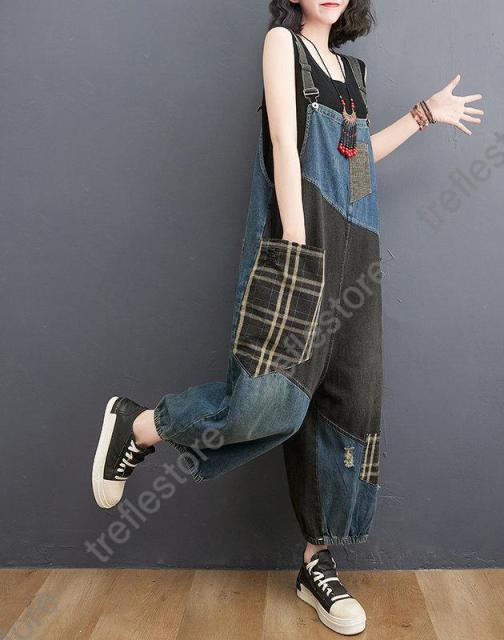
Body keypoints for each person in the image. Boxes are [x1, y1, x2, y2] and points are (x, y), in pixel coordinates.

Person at [90, 0, 484, 634]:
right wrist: (298, 241)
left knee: (349, 408)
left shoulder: (352, 73)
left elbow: (356, 168)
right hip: (300, 251)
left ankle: (316, 564)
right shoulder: (283, 45)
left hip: (356, 255)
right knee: (269, 402)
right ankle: (138, 427)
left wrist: (423, 116)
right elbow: (283, 142)